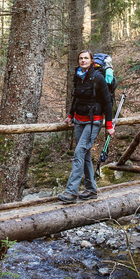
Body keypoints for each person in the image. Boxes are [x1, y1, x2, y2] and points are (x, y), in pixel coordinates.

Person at [59, 50, 114, 203]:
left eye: (86, 58)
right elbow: (75, 98)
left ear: (91, 61)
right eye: (81, 58)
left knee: (78, 153)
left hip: (93, 121)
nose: (83, 61)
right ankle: (91, 190)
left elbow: (107, 102)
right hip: (79, 120)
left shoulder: (98, 78)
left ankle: (71, 192)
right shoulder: (78, 76)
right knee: (85, 156)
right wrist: (70, 115)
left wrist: (109, 125)